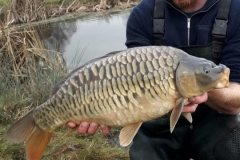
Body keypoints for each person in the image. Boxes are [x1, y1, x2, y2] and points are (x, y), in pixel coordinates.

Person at [68, 0, 240, 159]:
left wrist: (199, 87)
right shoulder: (143, 14)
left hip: (215, 120)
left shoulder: (235, 10)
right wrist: (99, 107)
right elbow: (129, 84)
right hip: (158, 123)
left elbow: (237, 96)